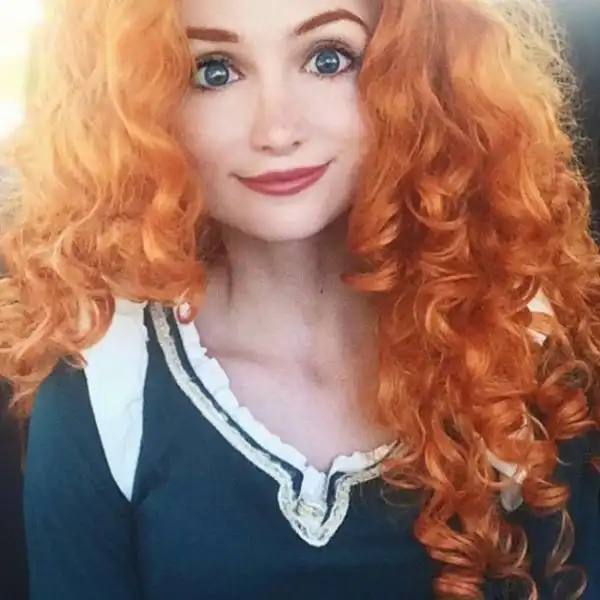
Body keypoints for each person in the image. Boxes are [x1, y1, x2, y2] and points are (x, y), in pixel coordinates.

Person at [0, 0, 598, 599]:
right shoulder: (104, 384)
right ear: (140, 107)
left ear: (421, 77)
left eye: (328, 59)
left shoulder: (519, 343)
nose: (277, 130)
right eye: (214, 71)